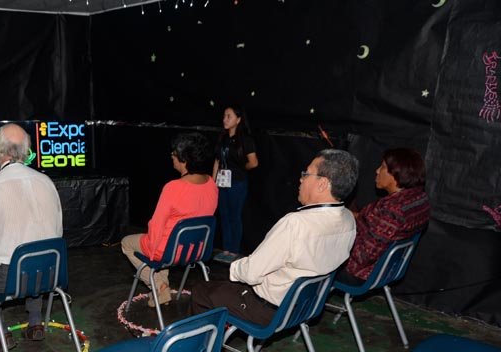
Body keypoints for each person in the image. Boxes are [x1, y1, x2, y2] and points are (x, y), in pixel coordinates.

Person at [192, 149, 358, 326]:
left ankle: (208, 342)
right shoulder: (349, 220)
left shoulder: (296, 224)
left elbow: (250, 273)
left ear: (322, 184)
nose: (301, 179)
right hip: (307, 306)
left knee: (202, 291)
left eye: (307, 174)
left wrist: (235, 266)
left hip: (270, 310)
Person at [0, 124, 62, 347]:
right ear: (26, 150)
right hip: (51, 273)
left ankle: (1, 329)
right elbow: (58, 233)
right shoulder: (47, 182)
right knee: (35, 256)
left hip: (10, 277)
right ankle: (35, 322)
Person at [121, 132, 218, 307]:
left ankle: (159, 287)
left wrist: (152, 253)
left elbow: (156, 225)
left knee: (127, 243)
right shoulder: (212, 184)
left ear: (184, 159)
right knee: (164, 240)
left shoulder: (173, 187)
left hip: (169, 251)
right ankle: (161, 287)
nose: (171, 156)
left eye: (174, 153)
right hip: (198, 250)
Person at [338, 147, 430, 285]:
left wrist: (333, 244)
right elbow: (373, 223)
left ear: (396, 174)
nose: (377, 171)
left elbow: (363, 256)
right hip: (388, 269)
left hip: (359, 272)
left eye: (382, 167)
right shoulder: (418, 199)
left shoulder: (392, 211)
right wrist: (346, 213)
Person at [212, 105, 258, 263]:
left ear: (238, 120)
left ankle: (233, 251)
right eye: (224, 116)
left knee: (234, 216)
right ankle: (226, 249)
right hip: (222, 183)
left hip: (237, 183)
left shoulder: (245, 139)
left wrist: (241, 168)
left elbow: (254, 162)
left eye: (229, 116)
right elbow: (217, 161)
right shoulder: (222, 138)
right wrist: (213, 183)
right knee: (224, 215)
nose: (225, 119)